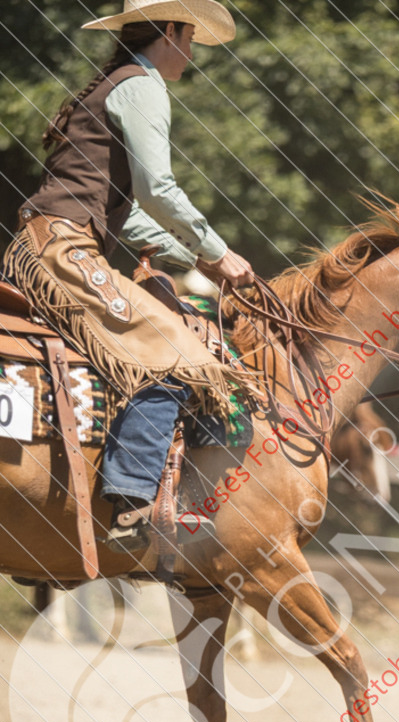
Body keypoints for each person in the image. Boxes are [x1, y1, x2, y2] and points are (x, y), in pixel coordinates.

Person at [2, 0, 256, 553]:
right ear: (170, 30)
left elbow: (131, 212)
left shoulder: (112, 83)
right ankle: (131, 502)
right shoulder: (142, 86)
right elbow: (158, 190)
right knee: (176, 350)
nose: (191, 52)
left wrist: (195, 259)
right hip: (64, 253)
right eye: (189, 37)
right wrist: (217, 253)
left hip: (50, 244)